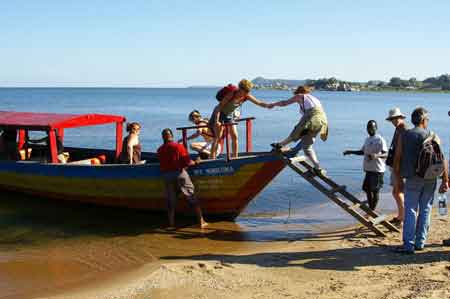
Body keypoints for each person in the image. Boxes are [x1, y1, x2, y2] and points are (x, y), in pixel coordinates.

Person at [393, 107, 448, 254]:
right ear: (423, 120)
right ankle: (420, 242)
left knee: (411, 210)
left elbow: (397, 159)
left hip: (412, 178)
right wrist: (445, 180)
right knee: (426, 209)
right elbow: (442, 160)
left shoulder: (405, 135)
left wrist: (398, 179)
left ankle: (408, 245)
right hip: (431, 178)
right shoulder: (433, 135)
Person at [269, 85, 328, 174]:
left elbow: (284, 103)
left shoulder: (300, 96)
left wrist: (273, 104)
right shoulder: (314, 99)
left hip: (313, 117)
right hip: (322, 120)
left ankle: (280, 145)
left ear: (299, 92)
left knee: (297, 130)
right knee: (307, 147)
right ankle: (317, 168)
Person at [157, 128, 208, 228]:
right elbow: (187, 162)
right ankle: (201, 222)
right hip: (179, 174)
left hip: (167, 176)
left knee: (171, 201)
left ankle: (171, 223)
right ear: (171, 136)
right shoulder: (178, 146)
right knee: (191, 196)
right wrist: (197, 161)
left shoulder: (160, 150)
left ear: (163, 137)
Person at [209, 79, 272, 159]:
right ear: (240, 89)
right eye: (245, 91)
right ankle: (212, 158)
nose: (247, 93)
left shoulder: (246, 96)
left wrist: (268, 105)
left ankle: (235, 158)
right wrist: (216, 121)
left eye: (248, 91)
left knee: (235, 136)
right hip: (220, 113)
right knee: (218, 137)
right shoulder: (231, 94)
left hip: (229, 115)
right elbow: (218, 108)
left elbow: (259, 103)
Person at [343, 120, 387, 210]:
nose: (370, 129)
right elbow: (362, 152)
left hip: (377, 170)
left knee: (375, 191)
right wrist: (350, 152)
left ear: (376, 128)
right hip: (369, 170)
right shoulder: (367, 139)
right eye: (368, 127)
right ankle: (371, 209)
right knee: (367, 189)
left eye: (372, 127)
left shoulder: (380, 139)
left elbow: (386, 154)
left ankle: (372, 211)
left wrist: (377, 155)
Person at [385, 108, 407, 224]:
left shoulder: (403, 130)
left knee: (397, 192)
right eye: (392, 119)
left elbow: (401, 151)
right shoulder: (399, 129)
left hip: (399, 166)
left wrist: (397, 168)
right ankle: (401, 216)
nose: (393, 121)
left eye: (395, 119)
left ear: (400, 118)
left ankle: (402, 217)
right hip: (397, 165)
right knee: (397, 192)